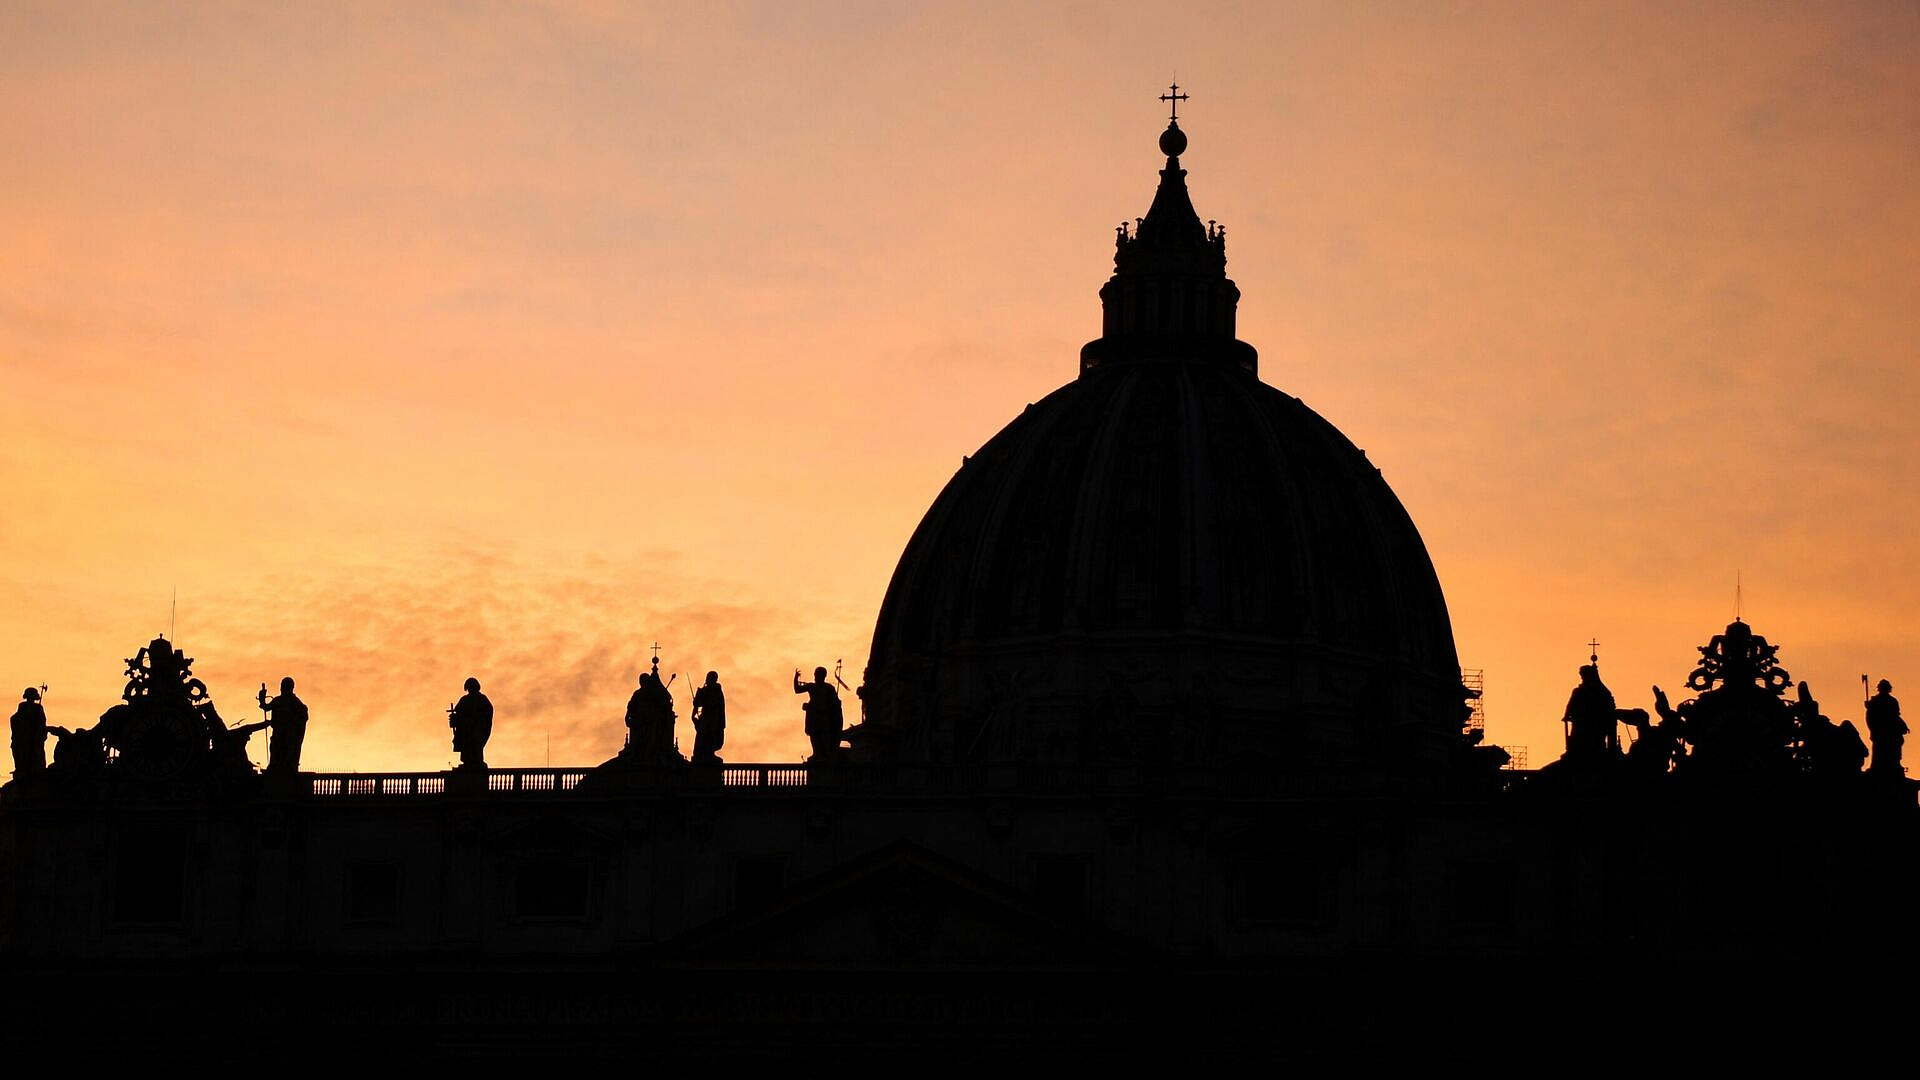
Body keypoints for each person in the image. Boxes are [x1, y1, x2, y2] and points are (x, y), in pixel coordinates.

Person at [1562, 665, 1617, 763]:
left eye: (1583, 675)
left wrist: (1567, 716)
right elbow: (1571, 705)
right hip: (1581, 722)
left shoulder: (1593, 691)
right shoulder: (1580, 691)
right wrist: (1567, 715)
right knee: (1577, 738)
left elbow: (1571, 705)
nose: (1582, 677)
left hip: (1592, 724)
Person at [257, 676, 309, 775]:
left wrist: (292, 722)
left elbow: (303, 716)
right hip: (278, 732)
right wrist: (262, 699)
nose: (282, 689)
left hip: (289, 733)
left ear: (290, 688)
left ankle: (286, 768)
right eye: (282, 686)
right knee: (275, 748)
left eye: (284, 686)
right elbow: (266, 707)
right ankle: (275, 767)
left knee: (287, 751)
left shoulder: (294, 701)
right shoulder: (278, 700)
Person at [795, 666, 843, 762]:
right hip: (813, 714)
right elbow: (797, 690)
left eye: (818, 675)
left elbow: (835, 702)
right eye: (815, 674)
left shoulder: (829, 688)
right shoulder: (811, 686)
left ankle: (825, 753)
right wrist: (796, 678)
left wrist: (836, 704)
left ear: (823, 676)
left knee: (824, 733)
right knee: (814, 734)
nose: (816, 676)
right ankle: (816, 753)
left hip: (824, 714)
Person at [450, 677, 493, 770]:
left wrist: (477, 719)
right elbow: (458, 713)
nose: (470, 690)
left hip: (477, 730)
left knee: (476, 747)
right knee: (467, 749)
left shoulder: (482, 699)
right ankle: (468, 764)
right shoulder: (464, 700)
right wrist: (455, 719)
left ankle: (476, 763)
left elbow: (488, 713)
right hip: (466, 731)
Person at [1866, 679, 1905, 778]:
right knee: (1880, 751)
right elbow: (1870, 717)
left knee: (1893, 749)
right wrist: (1873, 730)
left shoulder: (1891, 701)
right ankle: (1879, 768)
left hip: (1891, 731)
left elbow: (1895, 716)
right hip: (1881, 731)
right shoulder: (1876, 701)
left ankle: (1894, 766)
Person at [10, 687, 47, 780]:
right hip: (23, 735)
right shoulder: (22, 706)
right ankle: (21, 768)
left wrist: (39, 734)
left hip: (33, 736)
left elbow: (41, 722)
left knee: (33, 752)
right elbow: (15, 718)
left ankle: (33, 769)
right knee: (18, 750)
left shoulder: (38, 708)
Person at [691, 671, 726, 766]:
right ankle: (702, 754)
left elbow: (713, 703)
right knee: (703, 736)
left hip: (713, 719)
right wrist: (697, 700)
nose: (707, 680)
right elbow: (698, 703)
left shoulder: (716, 691)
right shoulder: (707, 690)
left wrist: (700, 699)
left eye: (709, 678)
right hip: (706, 718)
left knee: (710, 736)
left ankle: (708, 754)